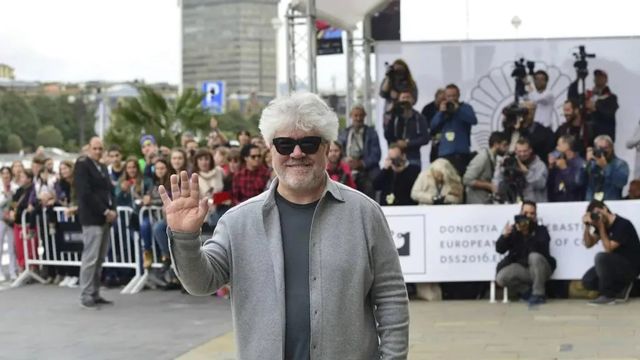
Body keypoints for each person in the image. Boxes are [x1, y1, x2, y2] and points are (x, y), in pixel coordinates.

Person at [162, 92, 409, 359]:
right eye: (284, 144)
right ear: (271, 150)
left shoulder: (365, 214)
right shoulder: (238, 222)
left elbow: (391, 297)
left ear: (327, 147)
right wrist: (185, 237)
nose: (297, 153)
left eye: (309, 143)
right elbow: (201, 283)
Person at [74, 137, 116, 309]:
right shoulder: (83, 165)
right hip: (92, 218)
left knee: (99, 258)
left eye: (100, 149)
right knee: (90, 258)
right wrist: (105, 211)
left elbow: (109, 190)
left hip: (105, 217)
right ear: (89, 148)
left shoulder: (103, 167)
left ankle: (95, 292)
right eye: (95, 148)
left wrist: (113, 209)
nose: (98, 151)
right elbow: (85, 193)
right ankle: (86, 294)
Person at [495, 201, 556, 306]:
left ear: (535, 216)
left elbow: (540, 250)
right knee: (501, 277)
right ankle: (527, 292)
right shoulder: (514, 230)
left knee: (534, 257)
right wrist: (504, 236)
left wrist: (528, 234)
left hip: (540, 270)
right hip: (523, 269)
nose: (528, 216)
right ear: (520, 213)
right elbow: (500, 249)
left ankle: (538, 294)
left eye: (532, 213)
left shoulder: (541, 230)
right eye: (526, 213)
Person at [581, 200, 640, 305]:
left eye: (598, 213)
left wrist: (601, 227)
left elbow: (608, 249)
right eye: (595, 215)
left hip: (630, 267)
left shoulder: (623, 224)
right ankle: (621, 287)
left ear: (605, 209)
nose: (598, 216)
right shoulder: (602, 225)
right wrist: (587, 226)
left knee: (601, 257)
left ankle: (608, 296)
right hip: (615, 267)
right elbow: (588, 244)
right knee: (588, 280)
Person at [430, 84, 478, 176]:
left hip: (461, 152)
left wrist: (458, 110)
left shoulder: (465, 107)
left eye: (454, 96)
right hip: (445, 153)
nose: (451, 98)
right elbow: (433, 126)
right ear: (445, 97)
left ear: (458, 95)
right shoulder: (443, 109)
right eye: (449, 96)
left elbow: (473, 120)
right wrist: (440, 113)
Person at [337, 105, 381, 197]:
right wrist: (345, 162)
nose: (358, 118)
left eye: (361, 115)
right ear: (350, 116)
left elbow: (376, 155)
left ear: (365, 116)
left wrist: (361, 163)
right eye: (355, 115)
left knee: (369, 187)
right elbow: (337, 151)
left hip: (365, 170)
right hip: (346, 169)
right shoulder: (344, 132)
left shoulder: (371, 133)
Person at [493, 138, 548, 204]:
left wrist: (526, 172)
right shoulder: (511, 163)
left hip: (535, 205)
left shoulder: (539, 165)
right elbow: (496, 183)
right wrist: (500, 168)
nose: (522, 154)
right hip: (516, 204)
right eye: (519, 151)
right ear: (515, 151)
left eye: (525, 151)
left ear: (530, 150)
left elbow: (541, 184)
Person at [383, 91, 430, 167]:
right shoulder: (394, 116)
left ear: (412, 100)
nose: (405, 100)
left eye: (408, 97)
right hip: (396, 157)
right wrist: (391, 115)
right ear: (399, 100)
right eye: (403, 98)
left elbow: (425, 138)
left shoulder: (419, 117)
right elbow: (387, 135)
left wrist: (408, 144)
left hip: (413, 158)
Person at [503, 101, 555, 166]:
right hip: (512, 166)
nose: (527, 113)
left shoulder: (544, 131)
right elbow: (503, 144)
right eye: (523, 109)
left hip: (535, 169)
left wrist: (521, 129)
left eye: (530, 110)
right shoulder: (512, 128)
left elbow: (533, 144)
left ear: (534, 111)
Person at [463, 131, 509, 204]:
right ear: (496, 144)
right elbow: (467, 179)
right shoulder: (483, 157)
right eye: (504, 145)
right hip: (476, 203)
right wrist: (489, 186)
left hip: (484, 200)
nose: (507, 148)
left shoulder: (493, 158)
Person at [582, 135, 629, 201]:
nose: (603, 151)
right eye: (600, 148)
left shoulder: (620, 164)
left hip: (611, 202)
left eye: (606, 148)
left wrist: (605, 167)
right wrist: (586, 163)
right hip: (591, 203)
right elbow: (579, 181)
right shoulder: (592, 163)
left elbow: (621, 182)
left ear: (612, 148)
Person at [380, 58, 418, 127]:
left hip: (406, 113)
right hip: (390, 114)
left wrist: (400, 96)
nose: (398, 73)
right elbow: (382, 93)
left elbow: (414, 100)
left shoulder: (410, 83)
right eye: (396, 70)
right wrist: (389, 76)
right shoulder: (388, 81)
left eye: (400, 70)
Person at [547, 135, 586, 202]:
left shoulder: (580, 163)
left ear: (567, 146)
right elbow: (550, 185)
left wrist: (565, 169)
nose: (556, 148)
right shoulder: (559, 161)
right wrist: (550, 167)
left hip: (574, 201)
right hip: (557, 201)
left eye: (559, 145)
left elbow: (576, 185)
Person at [586, 69, 619, 141]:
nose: (598, 79)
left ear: (606, 80)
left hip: (604, 138)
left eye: (601, 77)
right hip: (588, 137)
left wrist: (595, 108)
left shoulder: (611, 97)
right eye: (596, 77)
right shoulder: (588, 95)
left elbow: (609, 111)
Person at [0, 167, 19, 281]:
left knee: (12, 246)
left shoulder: (15, 187)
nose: (6, 176)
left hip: (11, 221)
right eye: (3, 173)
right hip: (1, 219)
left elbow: (16, 203)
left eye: (8, 173)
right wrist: (5, 196)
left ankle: (13, 271)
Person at [421, 89, 446, 162]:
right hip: (435, 139)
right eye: (440, 99)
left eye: (444, 99)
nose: (442, 102)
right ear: (436, 98)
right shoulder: (428, 108)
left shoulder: (449, 107)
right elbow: (425, 126)